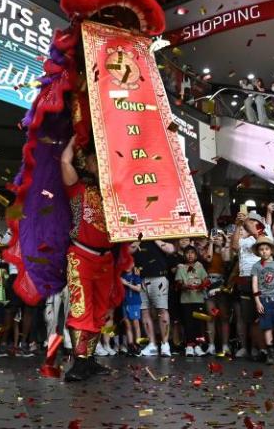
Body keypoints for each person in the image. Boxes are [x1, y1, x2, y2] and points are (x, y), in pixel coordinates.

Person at [59, 136, 132, 380]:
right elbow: (64, 161)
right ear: (87, 163)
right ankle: (79, 362)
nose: (100, 163)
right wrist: (74, 139)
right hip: (80, 256)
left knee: (101, 310)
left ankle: (89, 360)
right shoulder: (78, 187)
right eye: (95, 159)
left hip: (106, 261)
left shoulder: (117, 194)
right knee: (81, 308)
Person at [231, 211, 265, 359]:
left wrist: (247, 223)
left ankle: (260, 347)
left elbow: (259, 239)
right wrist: (238, 225)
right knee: (247, 317)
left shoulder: (264, 236)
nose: (248, 224)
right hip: (244, 278)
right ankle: (249, 347)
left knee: (260, 316)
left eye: (252, 222)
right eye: (248, 222)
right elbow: (233, 246)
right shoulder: (243, 239)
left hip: (260, 278)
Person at [135, 238, 175, 357]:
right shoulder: (135, 235)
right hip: (140, 278)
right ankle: (152, 344)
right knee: (144, 311)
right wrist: (138, 239)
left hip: (158, 277)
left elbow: (171, 249)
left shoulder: (159, 233)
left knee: (162, 310)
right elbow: (128, 250)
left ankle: (165, 344)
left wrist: (153, 236)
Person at [251, 234, 274, 365]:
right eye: (261, 249)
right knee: (267, 327)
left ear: (271, 250)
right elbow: (255, 285)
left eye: (266, 248)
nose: (264, 251)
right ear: (258, 252)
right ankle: (270, 353)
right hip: (264, 299)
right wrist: (258, 301)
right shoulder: (257, 266)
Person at [201, 229, 231, 356]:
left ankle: (224, 345)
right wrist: (211, 243)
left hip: (222, 283)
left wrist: (226, 242)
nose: (217, 237)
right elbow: (208, 259)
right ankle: (211, 345)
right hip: (209, 282)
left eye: (220, 235)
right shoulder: (207, 249)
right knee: (210, 315)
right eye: (215, 235)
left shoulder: (226, 249)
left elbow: (227, 259)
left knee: (224, 317)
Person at [175, 245, 209, 356]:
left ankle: (198, 346)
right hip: (186, 300)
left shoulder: (200, 266)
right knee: (188, 323)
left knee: (198, 323)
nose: (190, 255)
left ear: (196, 255)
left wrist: (201, 286)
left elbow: (206, 280)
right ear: (184, 255)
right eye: (187, 253)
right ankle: (189, 346)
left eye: (192, 253)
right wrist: (184, 286)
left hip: (198, 299)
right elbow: (178, 283)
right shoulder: (181, 268)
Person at [120, 256, 143, 355]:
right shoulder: (121, 276)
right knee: (127, 325)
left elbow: (139, 289)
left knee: (136, 324)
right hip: (125, 303)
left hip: (134, 302)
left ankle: (138, 345)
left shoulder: (136, 276)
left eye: (130, 263)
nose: (128, 265)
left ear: (133, 264)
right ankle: (130, 345)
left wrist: (127, 284)